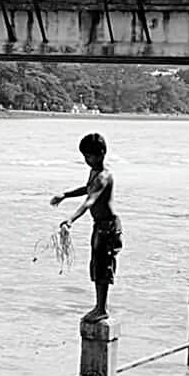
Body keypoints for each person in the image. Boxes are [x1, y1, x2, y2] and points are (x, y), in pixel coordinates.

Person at [50, 133, 123, 323]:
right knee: (96, 265)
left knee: (103, 266)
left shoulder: (104, 176)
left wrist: (71, 219)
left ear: (101, 154)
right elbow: (87, 188)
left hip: (108, 226)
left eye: (89, 156)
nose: (86, 160)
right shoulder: (94, 174)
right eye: (84, 156)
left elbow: (90, 201)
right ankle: (98, 306)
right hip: (99, 225)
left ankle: (101, 308)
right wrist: (65, 194)